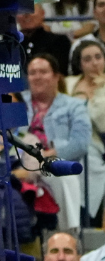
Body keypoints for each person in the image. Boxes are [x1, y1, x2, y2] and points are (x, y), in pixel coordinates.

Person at [23, 54, 92, 233]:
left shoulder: (74, 106)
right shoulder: (18, 103)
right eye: (32, 73)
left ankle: (68, 234)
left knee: (62, 175)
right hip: (20, 160)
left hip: (52, 161)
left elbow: (81, 143)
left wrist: (47, 155)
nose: (37, 76)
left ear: (56, 76)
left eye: (43, 72)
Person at [66, 39, 105, 223]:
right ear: (80, 64)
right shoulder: (68, 83)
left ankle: (88, 213)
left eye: (98, 57)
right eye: (87, 59)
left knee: (87, 155)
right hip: (63, 138)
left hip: (97, 143)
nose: (94, 63)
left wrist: (98, 92)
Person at [18, 5, 71, 74]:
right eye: (22, 11)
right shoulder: (10, 43)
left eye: (32, 10)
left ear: (42, 13)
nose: (26, 15)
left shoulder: (59, 41)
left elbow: (59, 72)